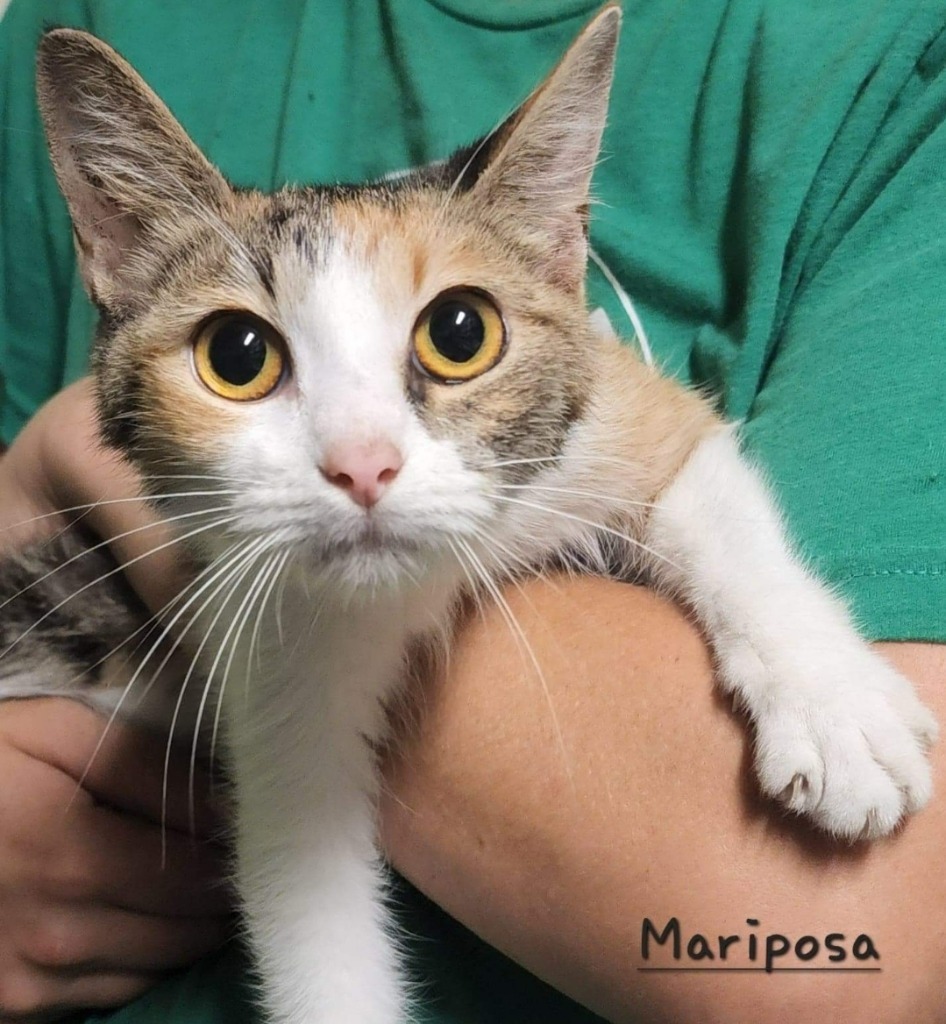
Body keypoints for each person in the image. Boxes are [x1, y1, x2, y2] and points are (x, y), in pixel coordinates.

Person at [2, 1, 946, 1022]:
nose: (360, 463)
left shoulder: (881, 65)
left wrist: (782, 640)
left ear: (556, 253)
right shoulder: (91, 13)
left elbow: (835, 966)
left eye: (454, 336)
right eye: (243, 355)